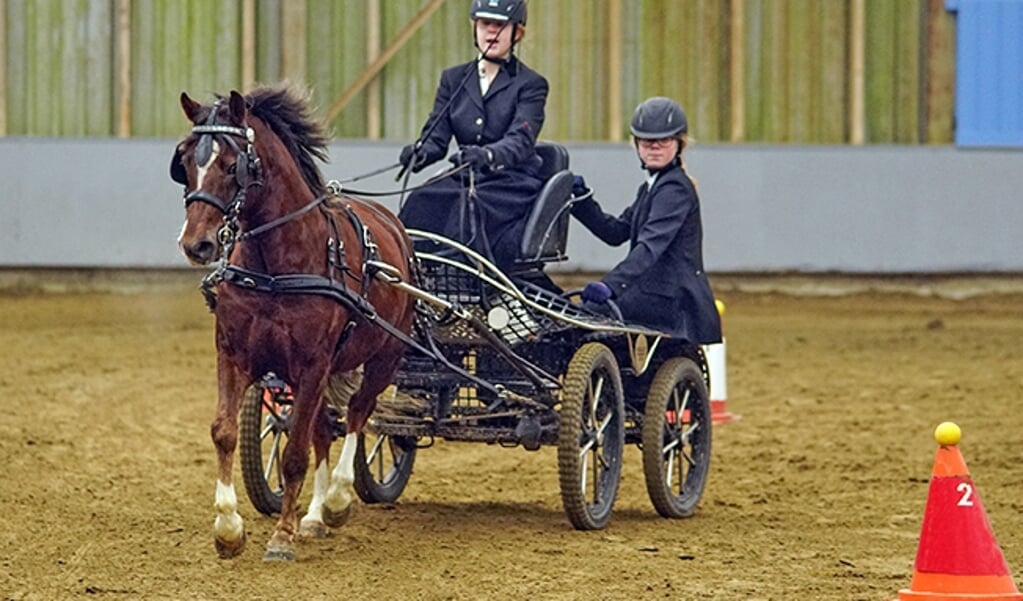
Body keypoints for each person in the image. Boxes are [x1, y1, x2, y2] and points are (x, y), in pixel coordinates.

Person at [396, 0, 548, 269]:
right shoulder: (453, 79)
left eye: (500, 25)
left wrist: (488, 154)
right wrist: (420, 152)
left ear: (518, 33)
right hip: (467, 176)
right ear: (474, 28)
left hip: (511, 182)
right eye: (485, 24)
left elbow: (521, 139)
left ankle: (465, 277)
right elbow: (437, 137)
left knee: (468, 207)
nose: (492, 32)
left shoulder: (531, 85)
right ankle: (415, 273)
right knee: (420, 201)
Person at [570, 97, 722, 344]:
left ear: (679, 144)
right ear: (636, 145)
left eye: (663, 141)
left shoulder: (675, 189)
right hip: (652, 293)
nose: (654, 147)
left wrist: (610, 285)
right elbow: (615, 232)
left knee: (583, 317)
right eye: (646, 141)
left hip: (672, 299)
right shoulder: (651, 188)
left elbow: (651, 246)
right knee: (575, 311)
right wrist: (581, 200)